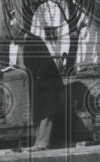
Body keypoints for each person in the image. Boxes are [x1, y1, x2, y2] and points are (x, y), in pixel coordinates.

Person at [10, 19, 66, 149]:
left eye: (15, 37)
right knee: (40, 112)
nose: (15, 41)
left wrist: (39, 76)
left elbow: (45, 61)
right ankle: (39, 142)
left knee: (47, 112)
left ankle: (43, 143)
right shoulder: (25, 44)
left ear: (19, 33)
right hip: (39, 83)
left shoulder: (33, 41)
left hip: (47, 83)